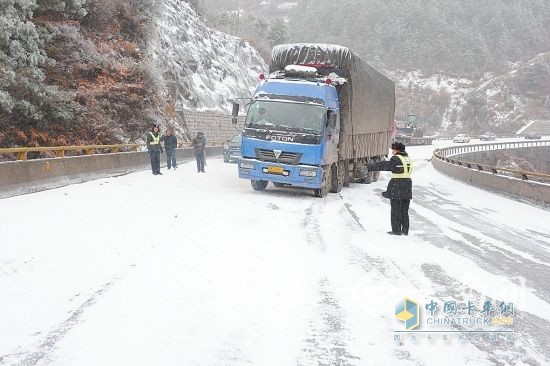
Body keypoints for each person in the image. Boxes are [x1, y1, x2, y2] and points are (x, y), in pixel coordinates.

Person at [367, 141, 412, 235]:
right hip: (407, 186)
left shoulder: (396, 159)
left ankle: (396, 230)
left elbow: (385, 165)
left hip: (398, 186)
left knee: (396, 210)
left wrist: (370, 167)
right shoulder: (407, 158)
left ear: (397, 150)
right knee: (404, 210)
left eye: (393, 150)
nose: (392, 152)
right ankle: (405, 230)